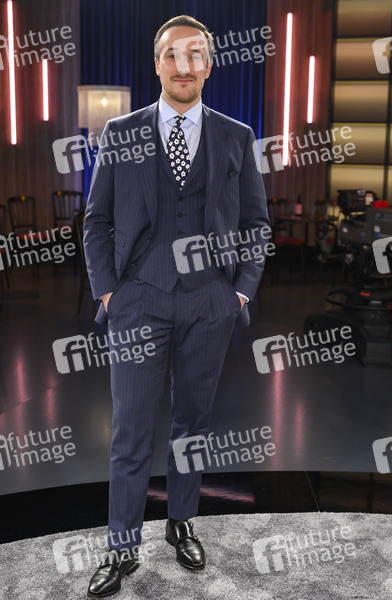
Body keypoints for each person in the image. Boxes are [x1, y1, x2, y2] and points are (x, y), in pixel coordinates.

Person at [83, 14, 269, 598]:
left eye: (194, 55)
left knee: (193, 425)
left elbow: (256, 224)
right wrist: (109, 292)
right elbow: (97, 221)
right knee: (131, 431)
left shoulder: (236, 136)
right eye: (172, 55)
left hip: (210, 303)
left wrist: (238, 292)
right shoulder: (121, 132)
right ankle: (121, 547)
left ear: (209, 66)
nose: (183, 66)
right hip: (138, 301)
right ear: (157, 64)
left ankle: (181, 521)